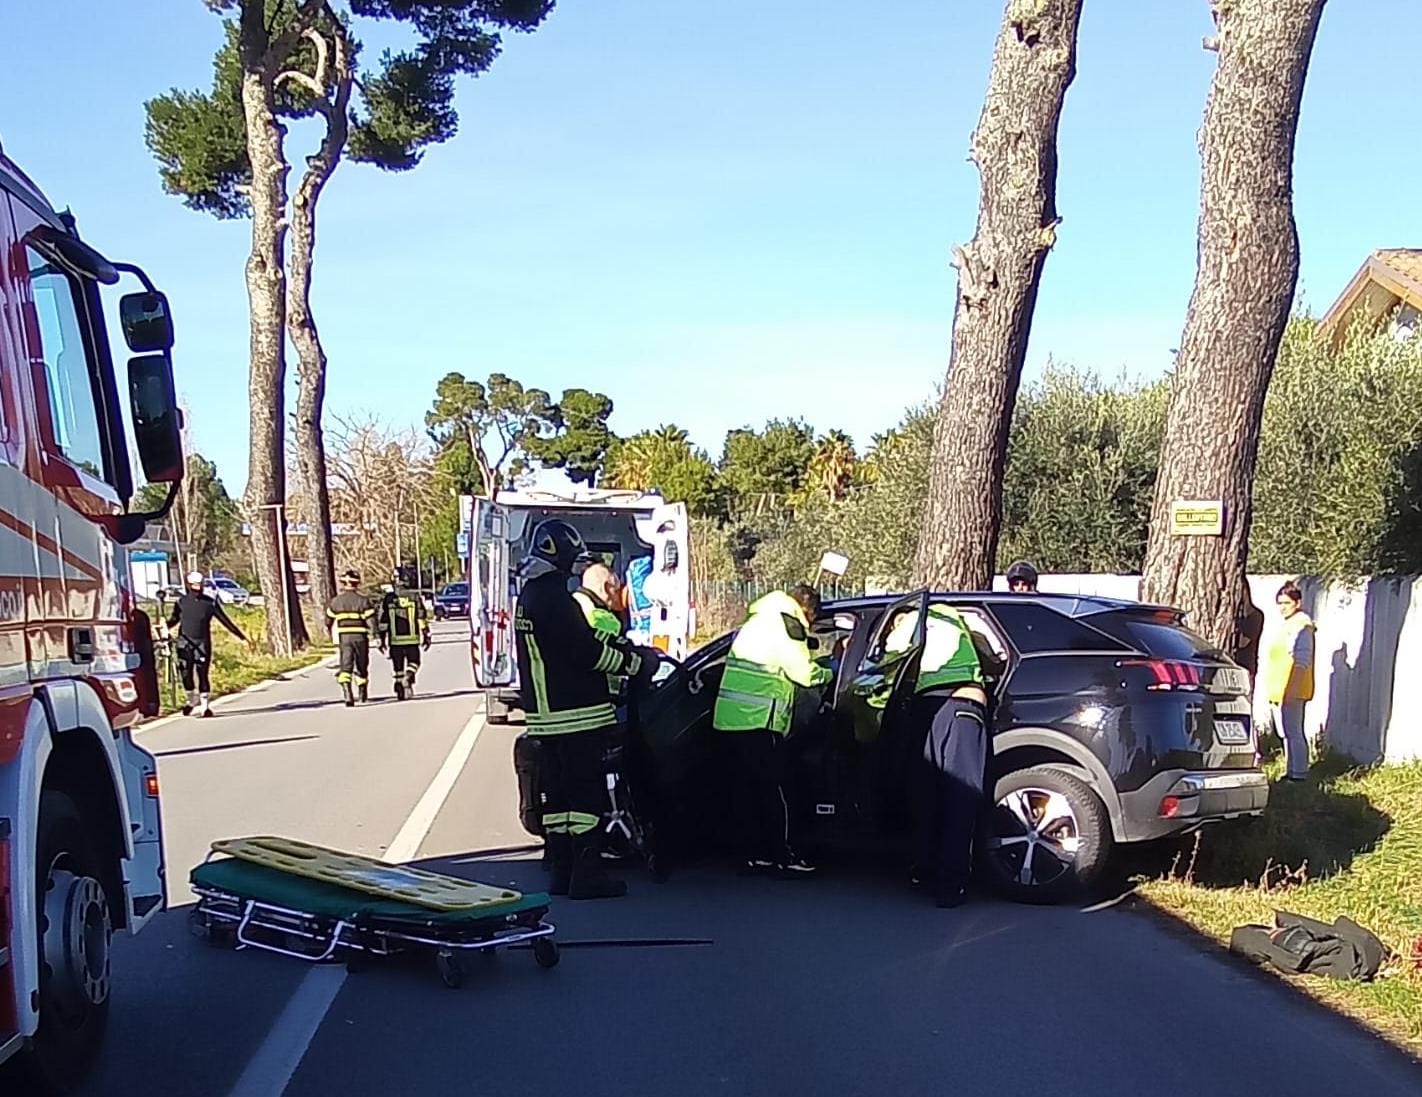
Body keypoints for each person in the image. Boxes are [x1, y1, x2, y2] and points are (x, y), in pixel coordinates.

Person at [516, 519, 655, 899]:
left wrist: (625, 649)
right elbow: (586, 653)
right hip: (578, 714)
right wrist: (637, 664)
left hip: (546, 719)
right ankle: (588, 875)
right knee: (586, 799)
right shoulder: (555, 600)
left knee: (559, 802)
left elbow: (576, 638)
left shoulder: (532, 596)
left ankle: (562, 873)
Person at [712, 584, 831, 877]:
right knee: (777, 790)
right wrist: (831, 672)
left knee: (746, 791)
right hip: (759, 720)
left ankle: (753, 854)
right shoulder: (788, 623)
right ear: (808, 610)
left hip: (731, 718)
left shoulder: (758, 618)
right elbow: (803, 672)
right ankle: (783, 854)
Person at [884, 602, 991, 908]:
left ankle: (925, 870)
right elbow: (990, 654)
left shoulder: (910, 621)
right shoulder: (961, 620)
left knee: (928, 792)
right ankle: (951, 883)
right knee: (960, 795)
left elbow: (889, 660)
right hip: (965, 703)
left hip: (928, 707)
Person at [167, 569, 248, 717]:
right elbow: (174, 620)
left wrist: (241, 636)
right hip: (184, 642)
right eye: (195, 585)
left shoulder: (209, 603)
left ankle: (205, 707)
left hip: (203, 642)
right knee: (186, 673)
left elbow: (225, 621)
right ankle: (191, 701)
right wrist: (162, 627)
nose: (198, 587)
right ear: (189, 585)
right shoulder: (181, 602)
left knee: (202, 673)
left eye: (200, 584)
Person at [1264, 580, 1315, 781]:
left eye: (1286, 603)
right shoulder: (1289, 625)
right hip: (1282, 689)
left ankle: (1299, 773)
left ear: (1298, 603)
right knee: (1286, 732)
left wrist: (1292, 690)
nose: (1282, 608)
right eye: (1279, 603)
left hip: (1292, 689)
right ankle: (1292, 770)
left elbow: (1301, 660)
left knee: (1294, 732)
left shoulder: (1302, 626)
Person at [573, 562, 628, 702]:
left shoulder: (573, 602)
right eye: (616, 590)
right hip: (602, 693)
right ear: (606, 588)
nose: (617, 596)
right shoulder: (601, 617)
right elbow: (619, 654)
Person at [378, 569, 431, 701]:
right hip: (412, 639)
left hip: (394, 640)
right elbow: (420, 617)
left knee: (397, 667)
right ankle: (409, 675)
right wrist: (426, 635)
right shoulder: (414, 596)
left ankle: (399, 686)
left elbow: (383, 620)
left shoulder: (388, 598)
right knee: (414, 662)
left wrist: (381, 639)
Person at [327, 569, 376, 707]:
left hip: (344, 638)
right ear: (357, 583)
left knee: (346, 664)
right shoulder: (363, 601)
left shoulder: (336, 602)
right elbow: (371, 621)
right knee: (362, 664)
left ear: (343, 583)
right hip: (360, 637)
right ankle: (362, 691)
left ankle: (347, 692)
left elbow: (328, 621)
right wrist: (376, 635)